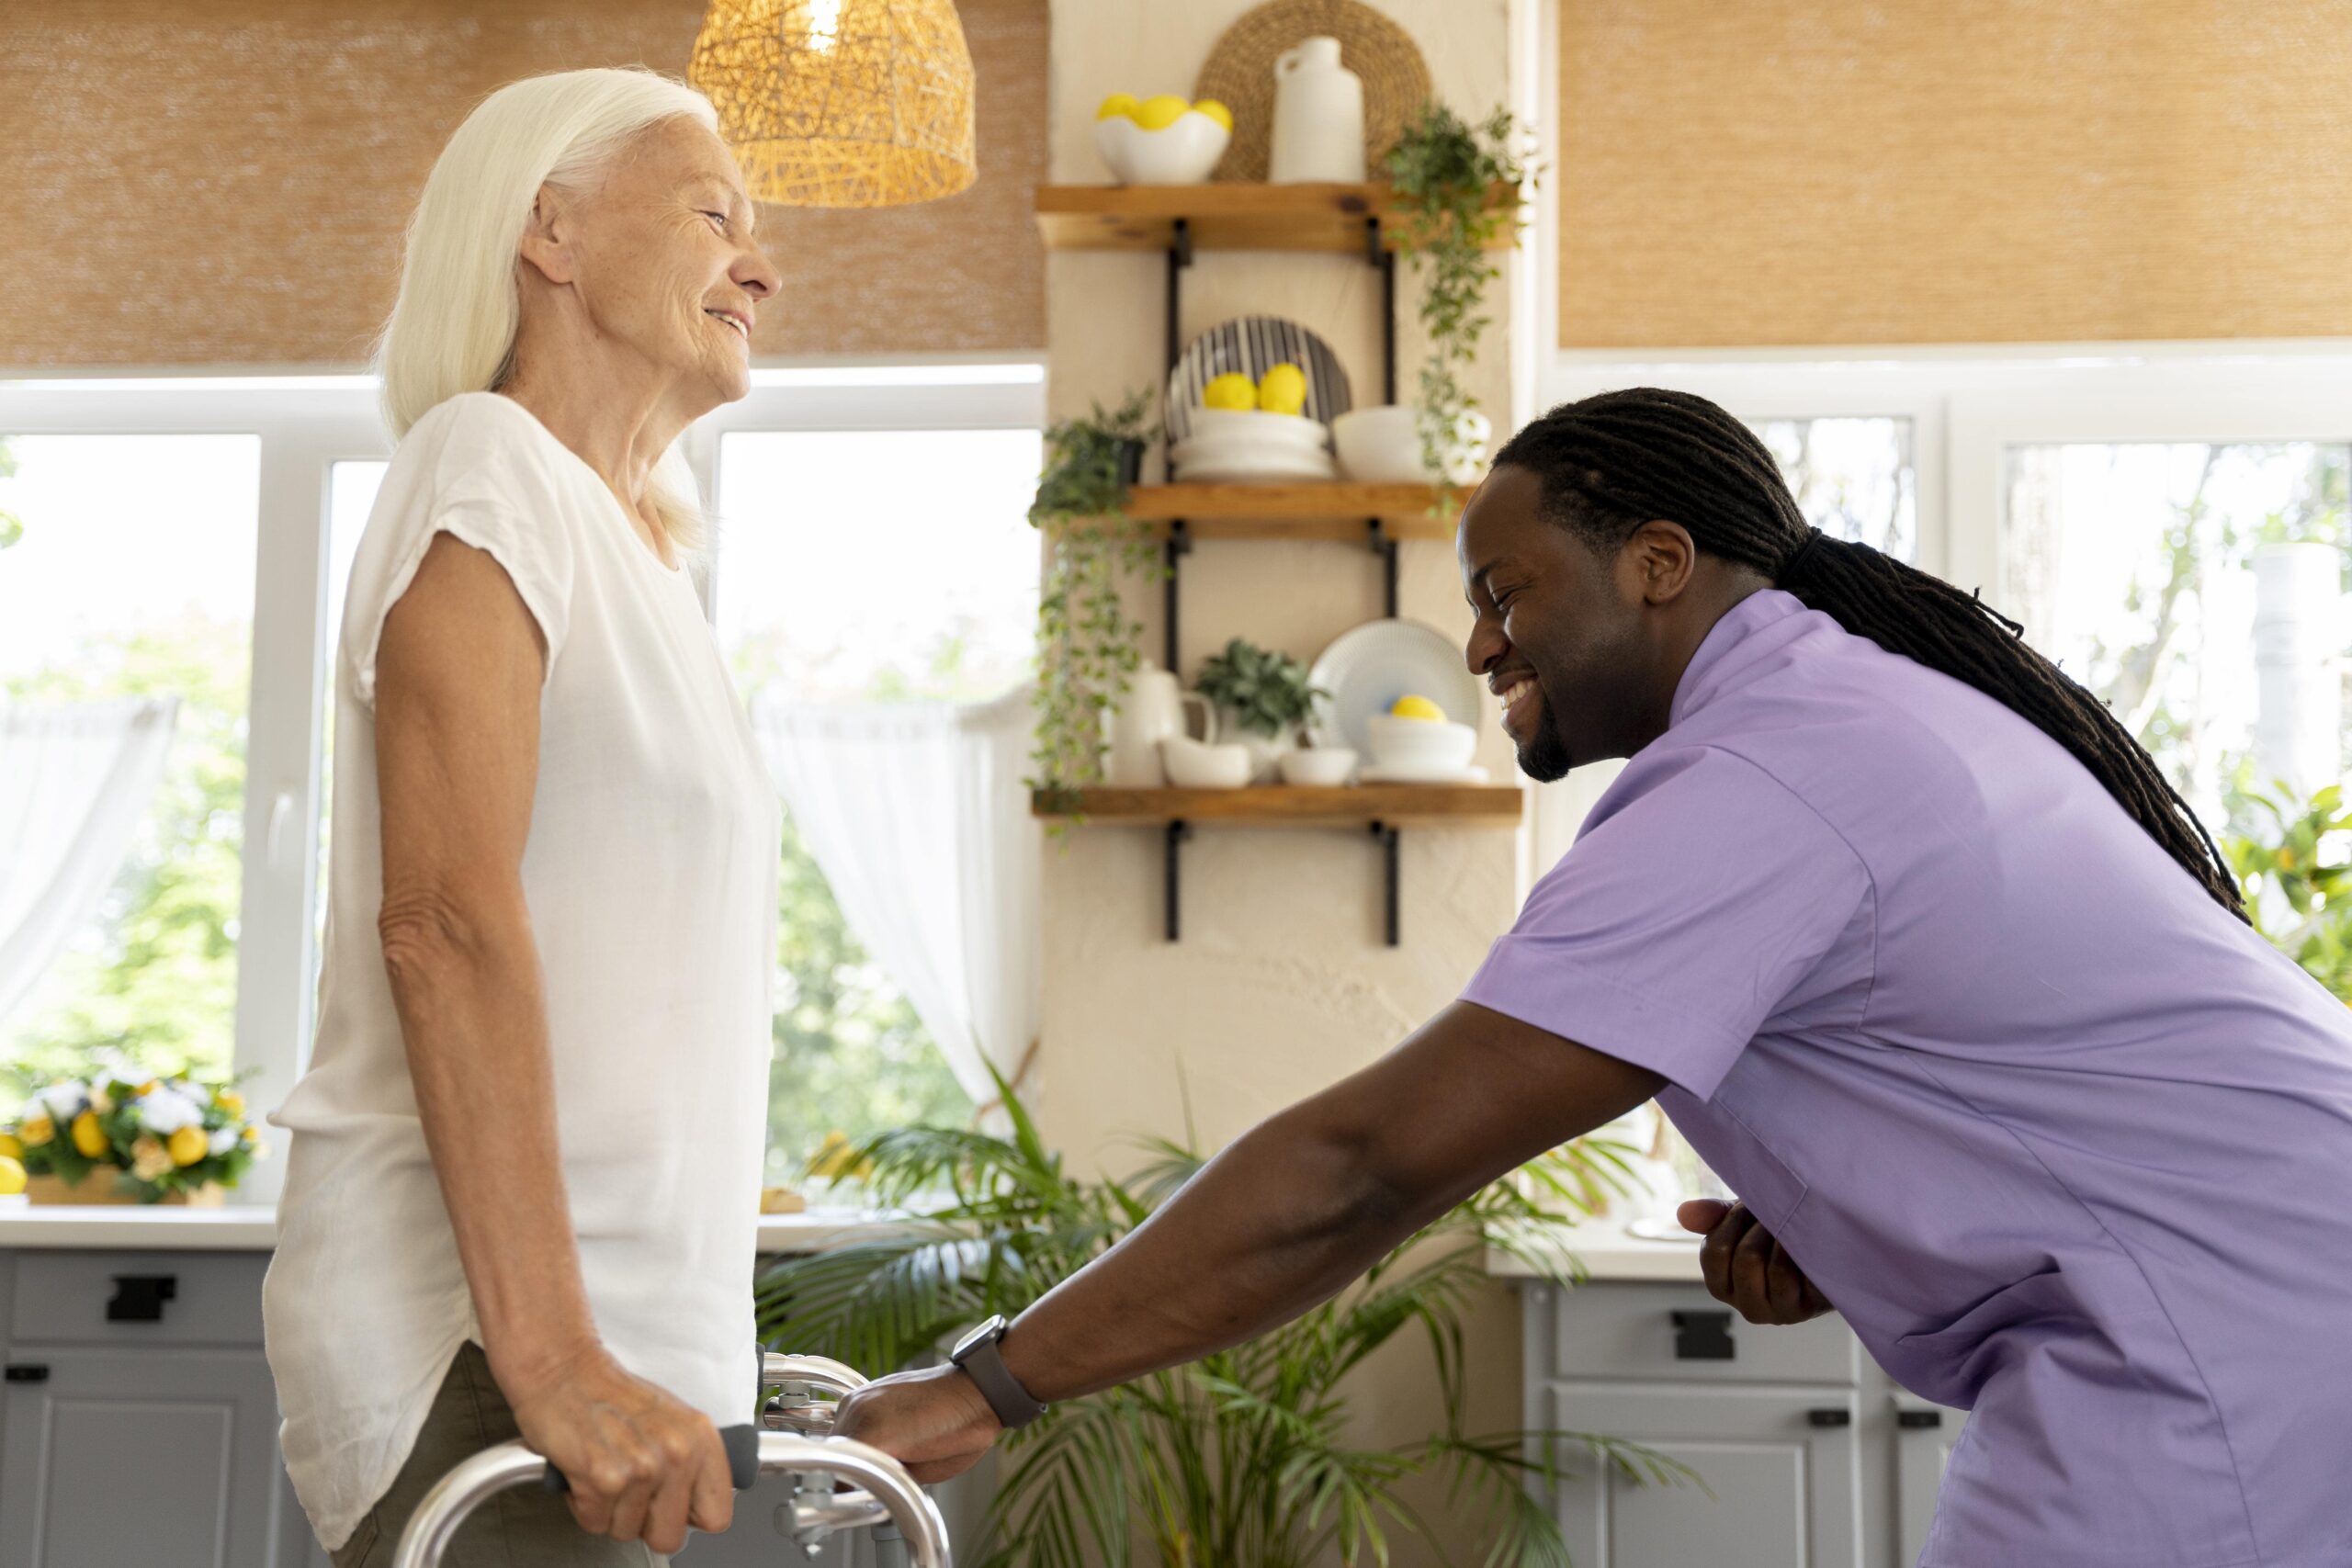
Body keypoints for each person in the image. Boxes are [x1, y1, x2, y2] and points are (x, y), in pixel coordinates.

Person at [834, 389, 2352, 1567]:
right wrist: (1866, 1221)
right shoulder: (1838, 718)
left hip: (2241, 1352)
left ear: (1660, 562)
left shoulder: (1770, 772)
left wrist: (991, 1385)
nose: (1482, 644)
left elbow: (1365, 1166)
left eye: (1508, 589)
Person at [263, 68, 783, 1566]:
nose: (759, 263)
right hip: (494, 1350)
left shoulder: (647, 560)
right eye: (711, 216)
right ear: (548, 232)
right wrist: (552, 1357)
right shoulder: (484, 464)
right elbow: (443, 920)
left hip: (622, 1349)